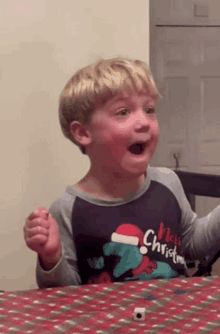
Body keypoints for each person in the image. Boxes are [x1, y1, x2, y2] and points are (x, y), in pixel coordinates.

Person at [24, 58, 220, 288]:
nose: (144, 122)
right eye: (123, 112)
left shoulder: (168, 182)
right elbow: (64, 295)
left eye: (149, 110)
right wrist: (51, 258)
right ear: (83, 133)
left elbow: (193, 243)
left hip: (170, 316)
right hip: (105, 322)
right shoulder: (67, 210)